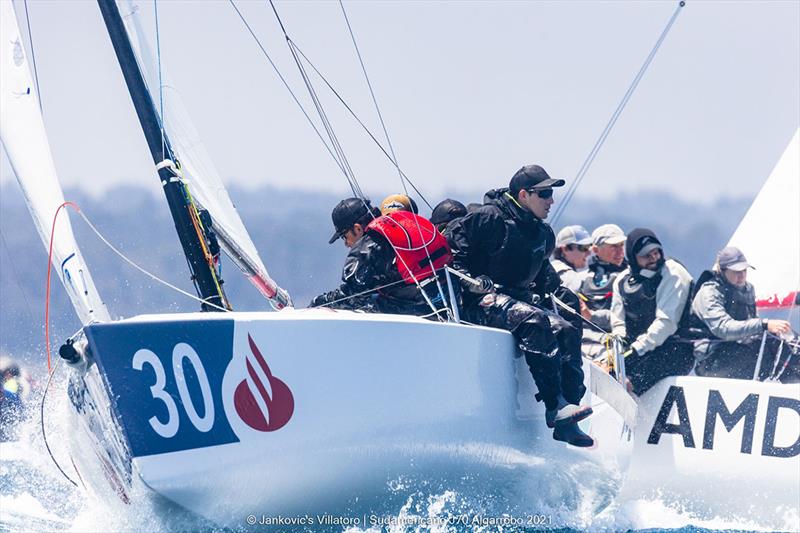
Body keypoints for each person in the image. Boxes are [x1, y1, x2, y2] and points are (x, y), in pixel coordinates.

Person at [447, 164, 594, 447]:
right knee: (534, 322)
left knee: (565, 328)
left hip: (517, 301)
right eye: (545, 194)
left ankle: (568, 414)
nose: (552, 201)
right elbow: (451, 248)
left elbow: (544, 279)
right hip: (480, 301)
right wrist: (470, 280)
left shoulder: (543, 234)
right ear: (524, 195)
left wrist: (565, 300)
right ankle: (554, 404)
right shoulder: (488, 218)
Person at [310, 197, 452, 316]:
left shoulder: (368, 244)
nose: (346, 244)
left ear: (357, 228)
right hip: (449, 299)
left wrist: (318, 303)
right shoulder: (400, 223)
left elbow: (352, 295)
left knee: (366, 304)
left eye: (344, 236)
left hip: (421, 309)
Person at [610, 228, 695, 394]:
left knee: (629, 380)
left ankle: (630, 400)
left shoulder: (673, 273)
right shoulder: (621, 281)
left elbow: (666, 322)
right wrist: (619, 351)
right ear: (633, 258)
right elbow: (618, 322)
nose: (654, 258)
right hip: (640, 349)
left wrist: (636, 350)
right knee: (610, 372)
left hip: (675, 349)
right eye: (646, 256)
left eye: (656, 252)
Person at [691, 246, 796, 381]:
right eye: (736, 271)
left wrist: (779, 335)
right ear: (722, 271)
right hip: (710, 361)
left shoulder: (748, 289)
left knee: (787, 345)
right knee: (765, 352)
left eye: (744, 270)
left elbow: (753, 325)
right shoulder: (710, 292)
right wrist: (764, 325)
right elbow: (723, 328)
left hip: (739, 351)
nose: (741, 276)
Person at [551, 225, 592, 292]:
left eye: (589, 246)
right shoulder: (570, 277)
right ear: (565, 249)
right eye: (583, 248)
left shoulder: (551, 268)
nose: (589, 252)